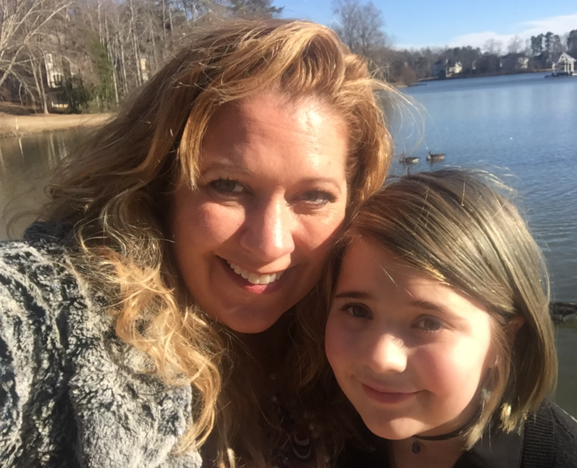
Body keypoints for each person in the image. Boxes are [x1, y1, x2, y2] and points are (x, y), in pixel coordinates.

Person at [0, 19, 396, 468]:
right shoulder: (65, 312)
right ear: (157, 184)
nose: (269, 244)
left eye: (314, 196)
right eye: (227, 185)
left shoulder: (358, 329)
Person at [317, 169, 577, 468]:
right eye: (357, 310)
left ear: (504, 339)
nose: (380, 358)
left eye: (429, 322)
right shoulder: (315, 430)